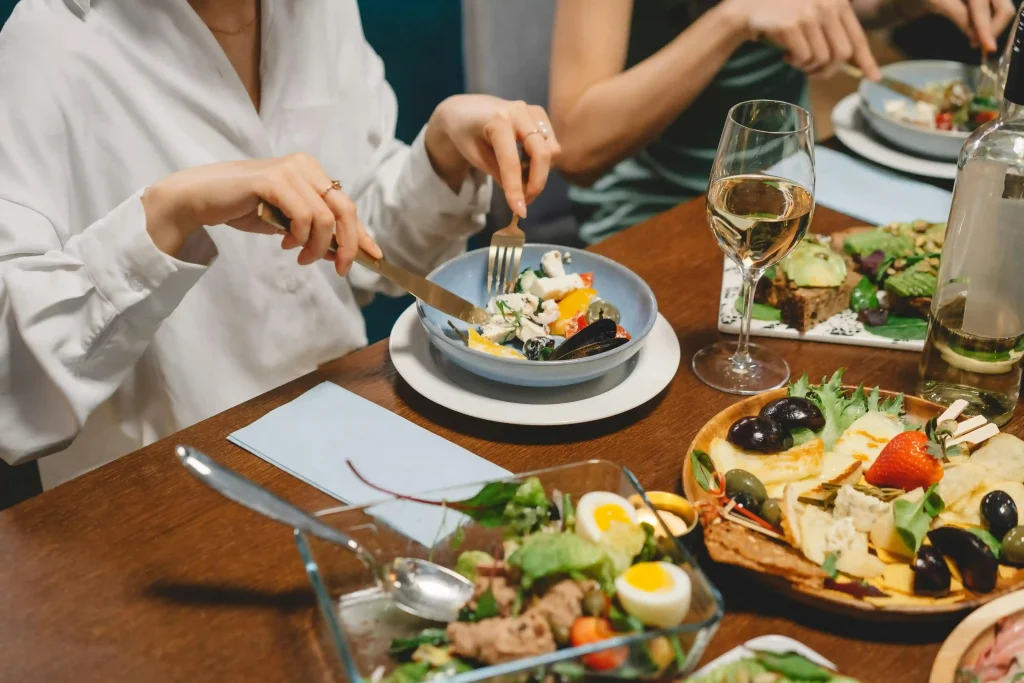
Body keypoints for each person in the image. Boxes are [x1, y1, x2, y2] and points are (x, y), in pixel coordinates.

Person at [0, 0, 561, 489]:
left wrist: (440, 151)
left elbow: (358, 244)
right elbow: (14, 396)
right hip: (168, 492)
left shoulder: (318, 8)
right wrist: (169, 213)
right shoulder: (43, 48)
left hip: (352, 427)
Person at [549, 0, 1016, 244]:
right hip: (655, 204)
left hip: (791, 184)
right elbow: (575, 146)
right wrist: (731, 18)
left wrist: (894, 5)